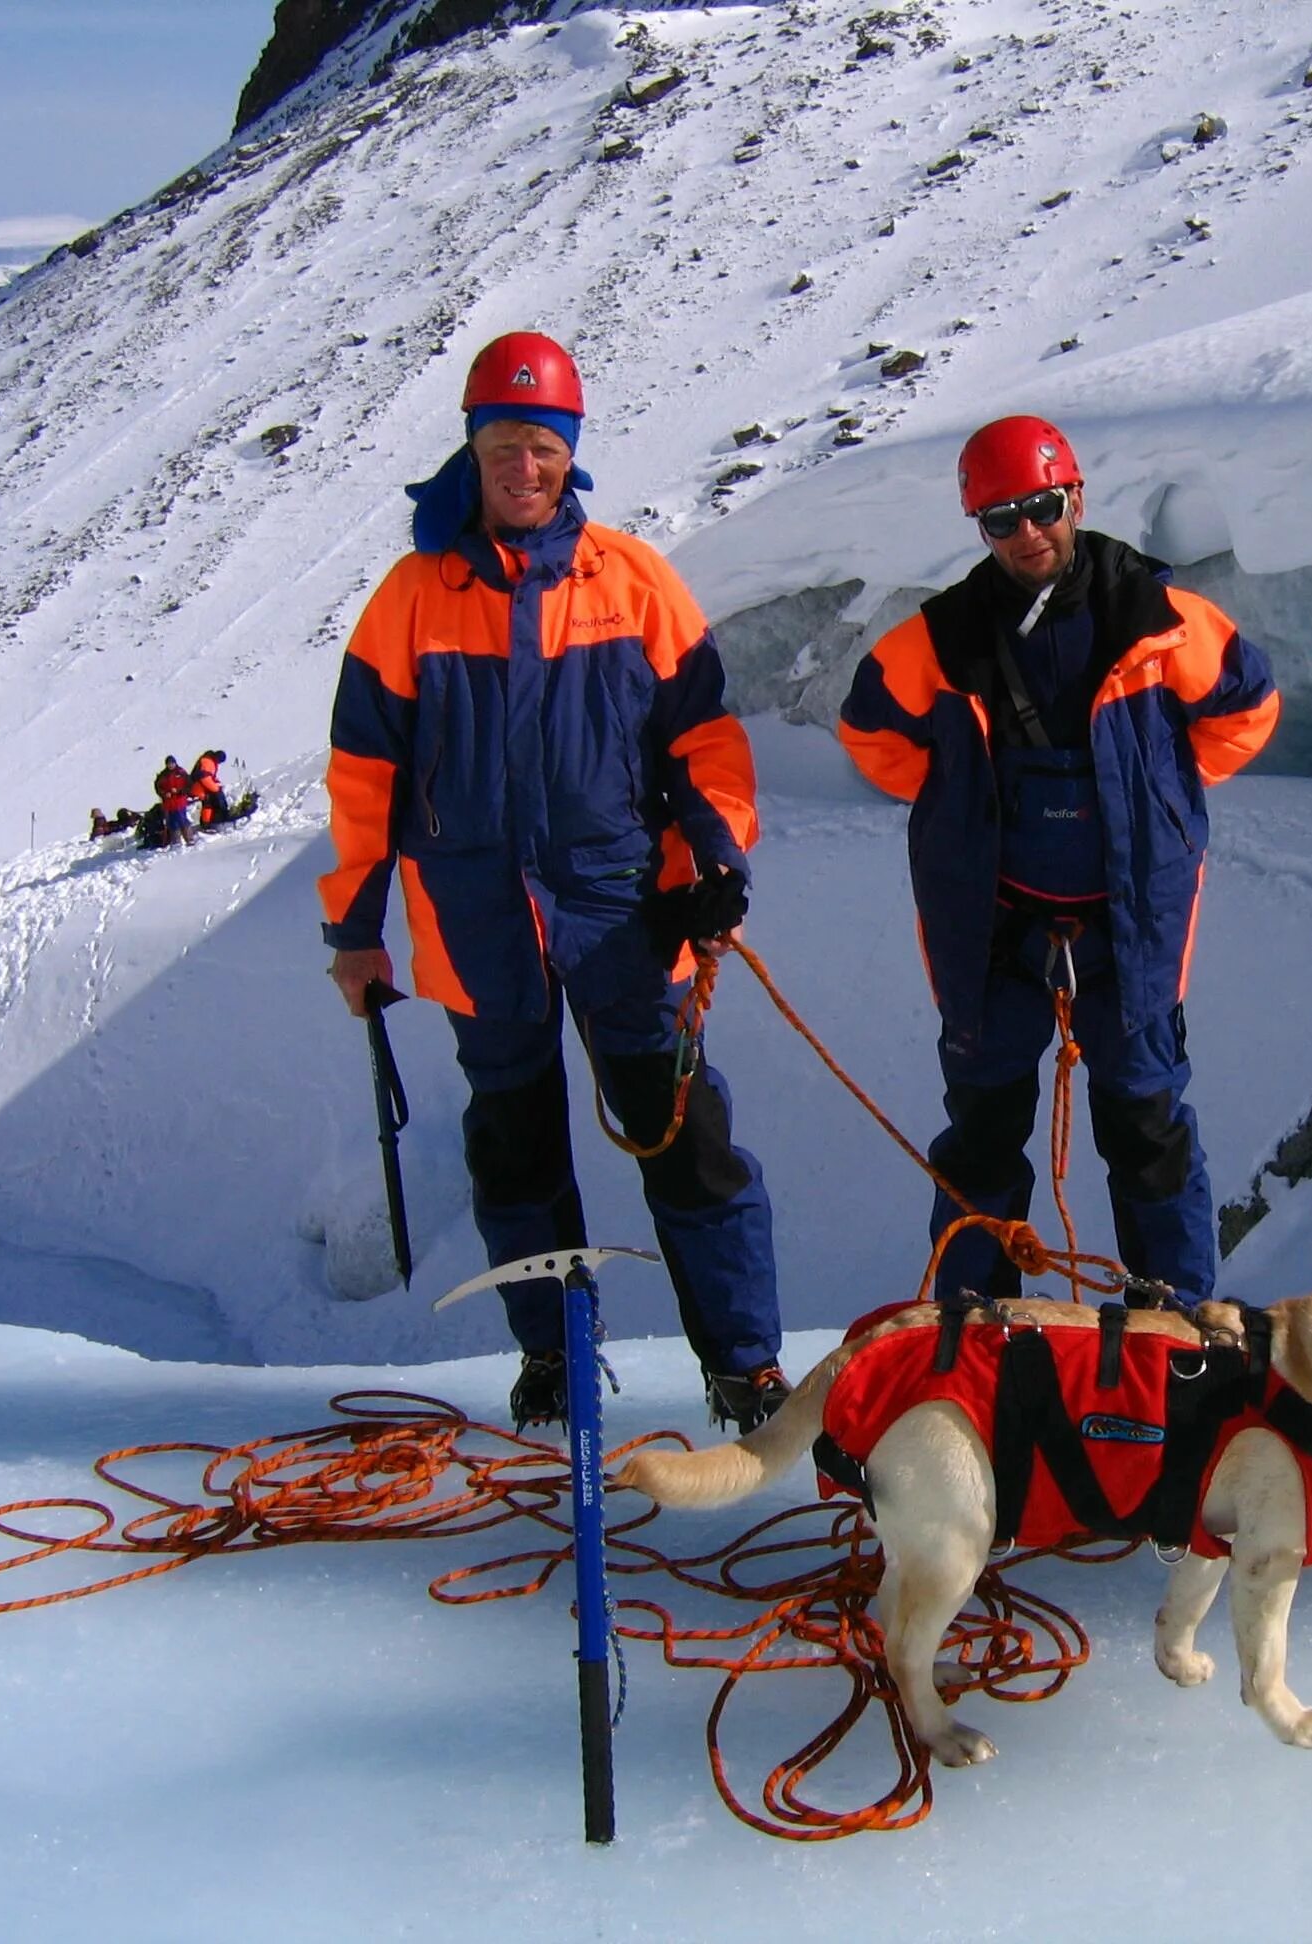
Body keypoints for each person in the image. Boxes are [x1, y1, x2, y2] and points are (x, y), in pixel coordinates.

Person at [319, 330, 788, 1432]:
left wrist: (718, 858)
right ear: (472, 457)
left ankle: (742, 1363)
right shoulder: (412, 598)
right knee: (517, 1152)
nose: (520, 469)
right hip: (475, 920)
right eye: (500, 448)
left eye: (540, 447)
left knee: (686, 1141)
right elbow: (362, 772)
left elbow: (704, 741)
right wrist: (355, 926)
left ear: (567, 454)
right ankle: (553, 1356)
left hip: (626, 911)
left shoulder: (632, 583)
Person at [838, 415, 1281, 1309]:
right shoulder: (944, 637)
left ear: (1074, 498)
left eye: (1041, 507)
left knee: (1146, 1123)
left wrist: (1162, 789)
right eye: (1003, 518)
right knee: (984, 1133)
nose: (1028, 532)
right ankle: (971, 1323)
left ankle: (1178, 1327)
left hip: (1131, 924)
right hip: (997, 927)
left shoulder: (1161, 618)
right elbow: (868, 733)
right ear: (980, 527)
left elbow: (1250, 702)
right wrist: (962, 799)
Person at [152, 757, 196, 848]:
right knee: (172, 822)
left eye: (172, 763)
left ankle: (189, 839)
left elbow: (189, 785)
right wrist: (164, 794)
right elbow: (158, 788)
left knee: (182, 820)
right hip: (169, 804)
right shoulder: (163, 775)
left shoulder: (181, 772)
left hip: (180, 802)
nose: (171, 765)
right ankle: (176, 841)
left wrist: (180, 791)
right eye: (169, 764)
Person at [190, 749, 233, 827]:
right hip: (199, 788)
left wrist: (216, 783)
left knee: (210, 802)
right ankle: (206, 824)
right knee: (208, 804)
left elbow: (210, 777)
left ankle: (208, 821)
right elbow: (205, 778)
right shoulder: (208, 762)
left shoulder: (209, 760)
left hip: (201, 787)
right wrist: (216, 789)